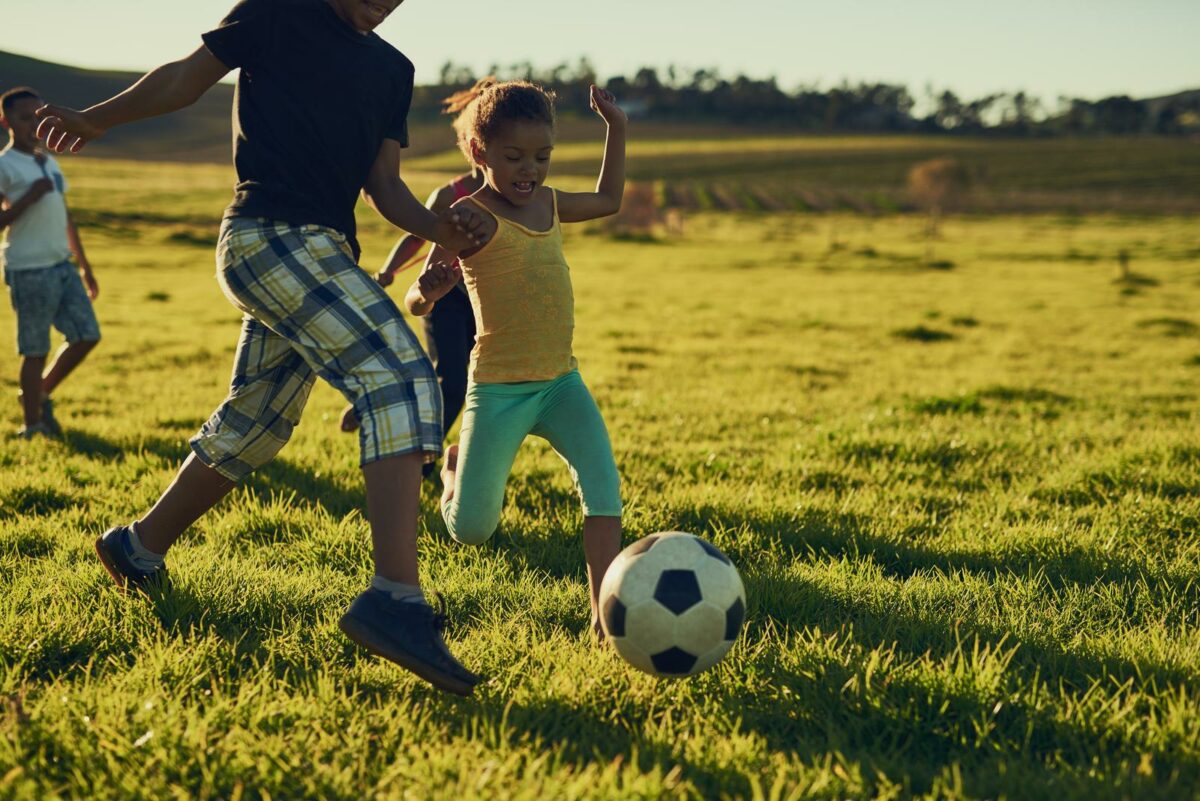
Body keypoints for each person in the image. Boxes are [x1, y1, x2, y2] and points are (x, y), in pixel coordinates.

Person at [33, 0, 493, 696]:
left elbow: (385, 186)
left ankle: (137, 547)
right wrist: (97, 117)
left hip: (328, 249)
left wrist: (441, 228)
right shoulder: (279, 11)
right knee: (398, 373)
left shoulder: (392, 69)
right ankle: (396, 600)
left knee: (257, 419)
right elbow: (185, 79)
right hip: (265, 235)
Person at [405, 80, 627, 638]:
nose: (530, 169)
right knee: (471, 531)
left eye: (542, 157)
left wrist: (616, 129)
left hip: (561, 384)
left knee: (604, 492)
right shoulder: (467, 215)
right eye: (514, 157)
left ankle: (603, 612)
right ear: (480, 154)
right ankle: (452, 473)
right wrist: (428, 290)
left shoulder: (550, 203)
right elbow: (414, 299)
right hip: (498, 389)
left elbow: (607, 201)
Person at [339, 81, 492, 465]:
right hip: (448, 298)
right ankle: (420, 463)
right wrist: (389, 270)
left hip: (489, 303)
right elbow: (416, 236)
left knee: (476, 386)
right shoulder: (448, 194)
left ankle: (397, 399)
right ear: (473, 146)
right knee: (453, 386)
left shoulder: (522, 197)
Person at [0, 87, 101, 439]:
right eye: (24, 118)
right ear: (6, 121)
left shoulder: (49, 161)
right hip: (28, 268)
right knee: (35, 348)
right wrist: (28, 198)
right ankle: (31, 427)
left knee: (87, 335)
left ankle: (38, 394)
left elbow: (65, 216)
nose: (33, 125)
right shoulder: (4, 166)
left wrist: (84, 265)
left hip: (62, 265)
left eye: (39, 117)